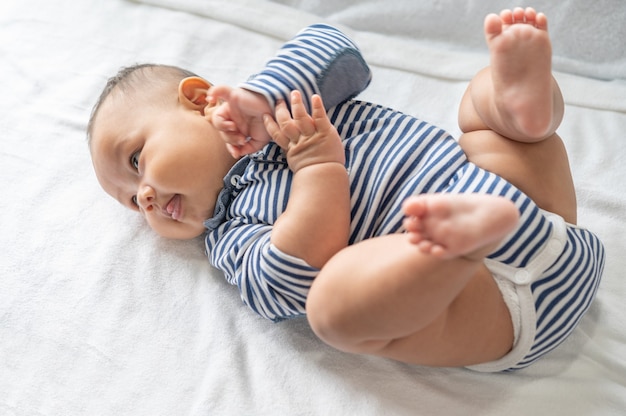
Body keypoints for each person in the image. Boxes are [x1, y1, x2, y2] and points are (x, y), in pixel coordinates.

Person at [87, 7, 604, 372]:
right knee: (332, 308)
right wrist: (316, 169)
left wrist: (261, 98)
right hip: (483, 309)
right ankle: (447, 251)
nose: (145, 198)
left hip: (536, 211)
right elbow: (287, 281)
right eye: (133, 201)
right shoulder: (231, 234)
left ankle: (524, 109)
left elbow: (336, 47)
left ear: (199, 100)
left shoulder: (285, 102)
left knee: (482, 112)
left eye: (136, 161)